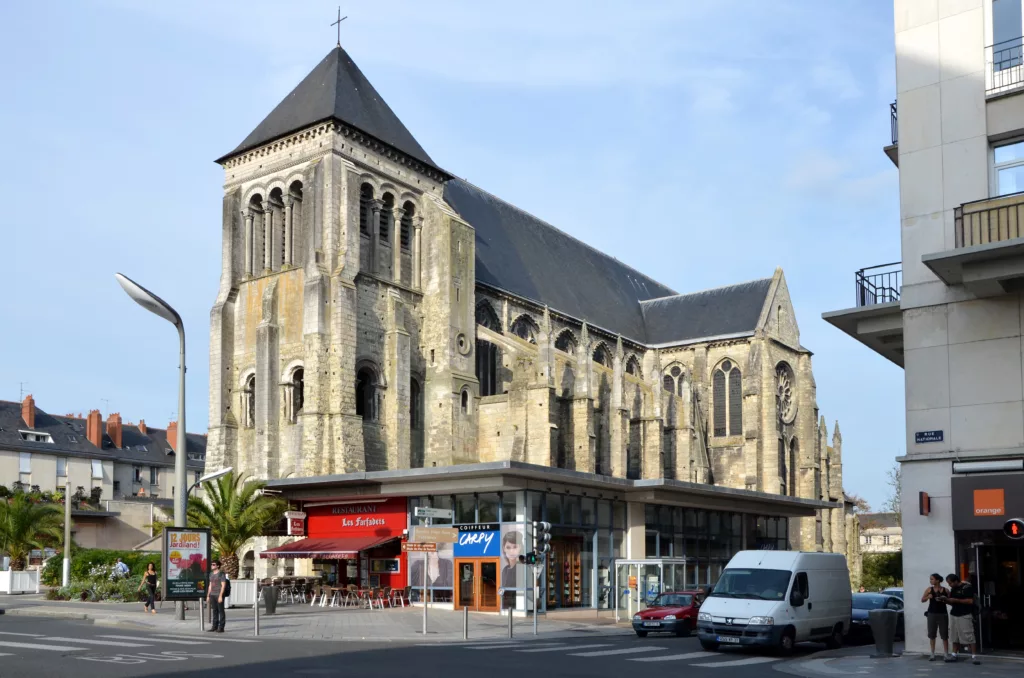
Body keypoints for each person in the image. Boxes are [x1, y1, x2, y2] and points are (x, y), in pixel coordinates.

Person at [941, 573, 979, 664]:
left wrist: (956, 600)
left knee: (969, 635)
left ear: (956, 581)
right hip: (954, 614)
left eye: (950, 583)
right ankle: (954, 654)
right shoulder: (953, 589)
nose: (949, 585)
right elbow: (952, 602)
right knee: (955, 636)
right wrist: (945, 600)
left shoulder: (967, 588)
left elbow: (970, 601)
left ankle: (974, 656)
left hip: (965, 614)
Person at [921, 573, 949, 661]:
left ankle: (946, 654)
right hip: (932, 613)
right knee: (932, 634)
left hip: (943, 614)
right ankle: (932, 653)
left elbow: (951, 600)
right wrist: (928, 597)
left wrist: (945, 599)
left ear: (937, 580)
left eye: (932, 579)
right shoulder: (929, 589)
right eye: (930, 579)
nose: (931, 581)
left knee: (944, 634)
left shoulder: (946, 590)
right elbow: (922, 600)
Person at [207, 559, 227, 633]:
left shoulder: (221, 574)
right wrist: (208, 595)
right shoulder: (211, 574)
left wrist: (221, 596)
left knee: (221, 611)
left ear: (218, 566)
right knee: (214, 611)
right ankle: (214, 626)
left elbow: (223, 585)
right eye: (211, 564)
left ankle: (221, 627)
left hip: (218, 594)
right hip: (212, 594)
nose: (212, 566)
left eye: (214, 564)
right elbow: (210, 585)